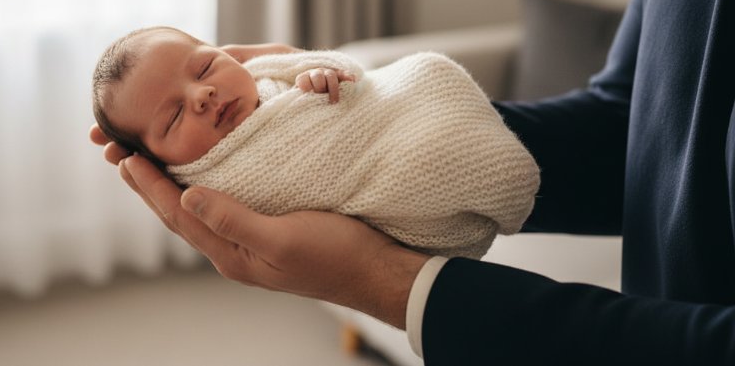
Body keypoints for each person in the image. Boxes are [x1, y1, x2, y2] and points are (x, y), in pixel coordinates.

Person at [90, 0, 735, 363]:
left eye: (203, 67)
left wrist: (391, 282)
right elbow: (639, 127)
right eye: (172, 115)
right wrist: (424, 137)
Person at [91, 26, 539, 259]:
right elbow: (298, 182)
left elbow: (351, 74)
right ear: (158, 160)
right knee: (425, 160)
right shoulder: (214, 182)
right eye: (173, 116)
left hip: (392, 109)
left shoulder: (264, 74)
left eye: (205, 68)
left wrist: (318, 75)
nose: (202, 95)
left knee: (428, 68)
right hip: (391, 169)